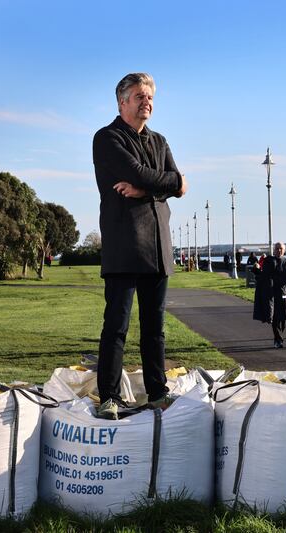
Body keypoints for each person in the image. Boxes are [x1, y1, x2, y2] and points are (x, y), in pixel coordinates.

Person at [93, 73, 188, 420]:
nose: (146, 101)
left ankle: (157, 393)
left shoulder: (160, 141)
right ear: (122, 102)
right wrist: (167, 183)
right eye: (138, 96)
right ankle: (110, 397)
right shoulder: (106, 138)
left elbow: (176, 183)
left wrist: (150, 189)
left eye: (149, 96)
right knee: (116, 326)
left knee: (155, 327)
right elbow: (141, 173)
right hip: (124, 244)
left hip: (159, 246)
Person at [253, 242, 286, 348]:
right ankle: (278, 340)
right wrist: (256, 270)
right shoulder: (269, 261)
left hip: (284, 294)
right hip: (272, 295)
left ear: (284, 250)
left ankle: (279, 336)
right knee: (274, 318)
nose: (279, 250)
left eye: (281, 249)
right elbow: (263, 274)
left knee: (283, 319)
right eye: (277, 248)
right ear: (274, 250)